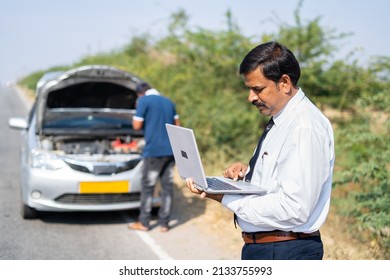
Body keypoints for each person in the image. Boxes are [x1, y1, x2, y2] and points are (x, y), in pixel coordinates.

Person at [186, 41, 335, 259]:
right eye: (249, 89)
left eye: (258, 89)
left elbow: (294, 209)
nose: (251, 97)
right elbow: (281, 179)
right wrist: (248, 175)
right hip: (271, 248)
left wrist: (224, 197)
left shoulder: (304, 126)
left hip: (286, 251)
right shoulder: (283, 119)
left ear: (284, 82)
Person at [129, 82, 180, 232]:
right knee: (167, 187)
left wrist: (139, 108)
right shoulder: (169, 102)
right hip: (171, 151)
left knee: (147, 187)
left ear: (140, 93)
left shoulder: (144, 101)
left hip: (154, 152)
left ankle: (144, 222)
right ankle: (164, 223)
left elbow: (136, 126)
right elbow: (177, 126)